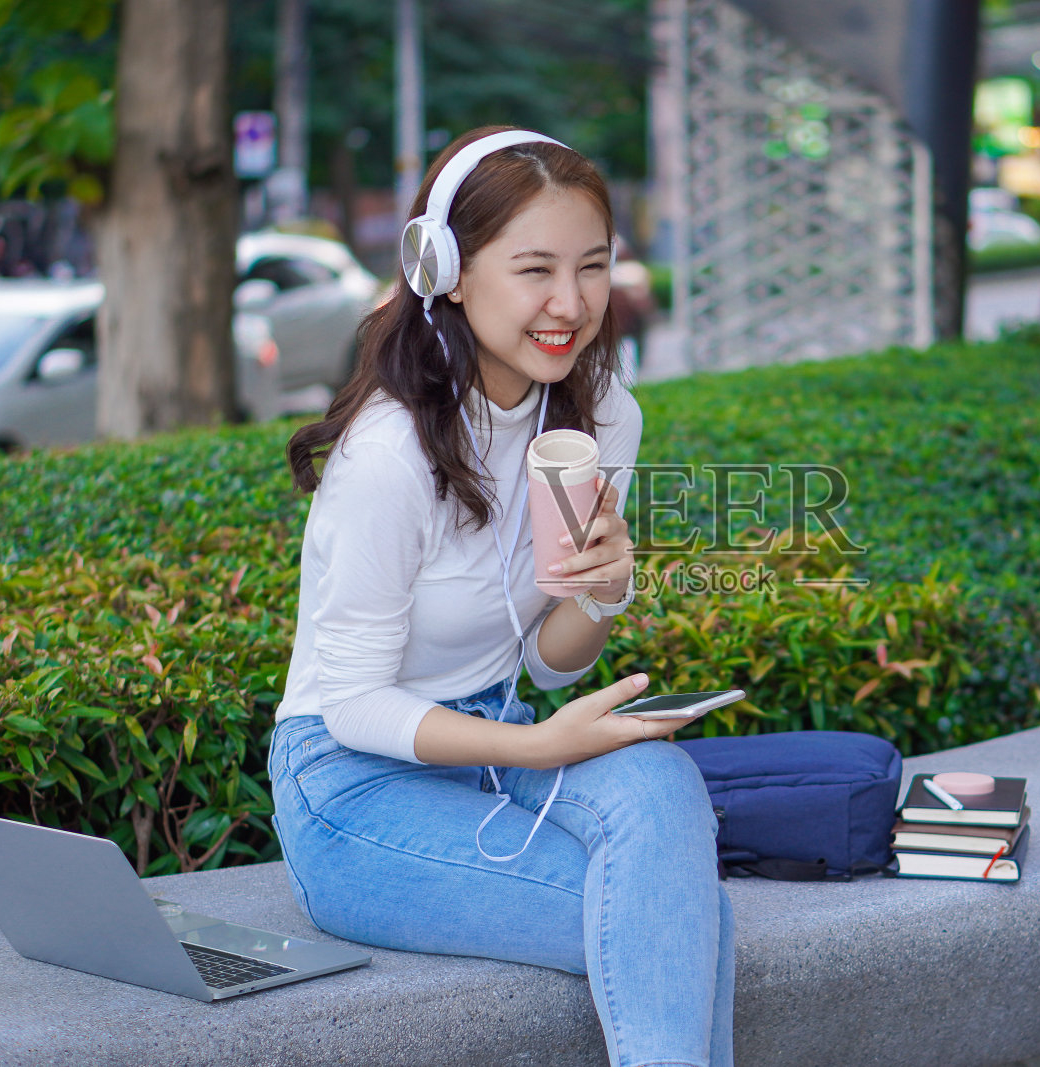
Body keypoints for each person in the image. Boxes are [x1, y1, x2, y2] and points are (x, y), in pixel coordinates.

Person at [269, 127, 734, 1067]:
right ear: (446, 269)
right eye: (534, 270)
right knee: (680, 915)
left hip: (496, 743)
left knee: (661, 785)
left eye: (594, 266)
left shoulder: (605, 415)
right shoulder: (388, 454)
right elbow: (354, 702)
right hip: (354, 787)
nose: (570, 303)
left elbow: (544, 658)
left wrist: (603, 591)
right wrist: (537, 744)